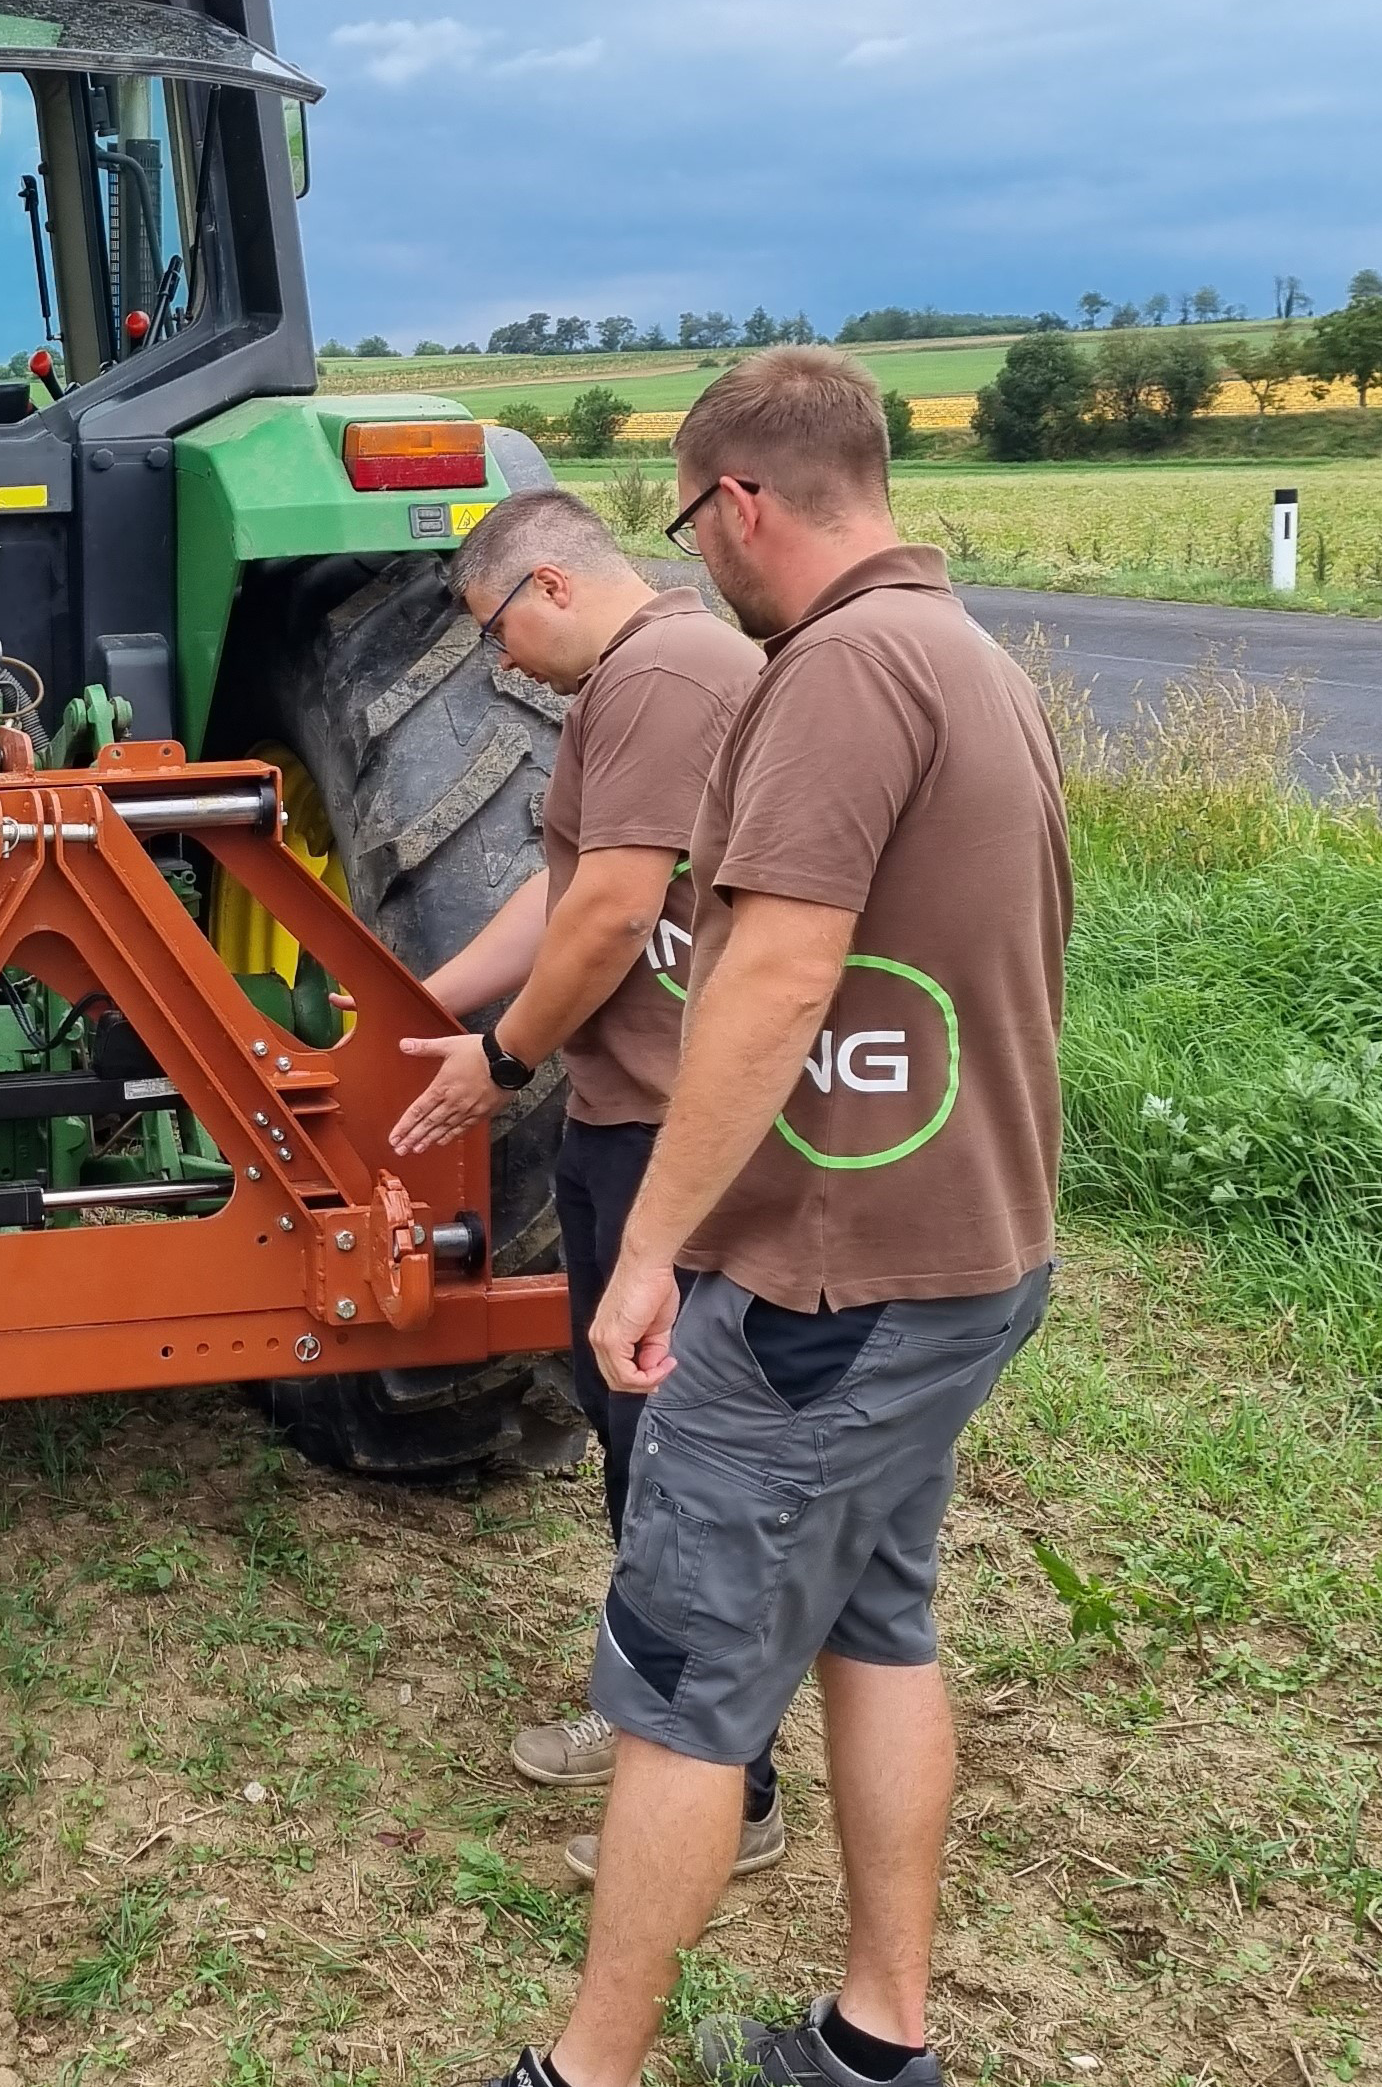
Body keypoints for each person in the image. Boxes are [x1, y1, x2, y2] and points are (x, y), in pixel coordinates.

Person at [461, 349, 1070, 2087]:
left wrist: (648, 1243)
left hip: (826, 1286)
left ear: (738, 502)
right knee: (878, 1626)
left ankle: (581, 2070)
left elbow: (778, 968)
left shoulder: (838, 670)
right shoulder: (974, 661)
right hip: (962, 1249)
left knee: (675, 1676)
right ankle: (879, 2038)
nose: (695, 559)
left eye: (689, 520)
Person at [391, 487, 775, 1875]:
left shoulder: (663, 674)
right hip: (629, 1112)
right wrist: (419, 1001)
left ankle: (719, 1789)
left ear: (548, 583)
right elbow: (567, 889)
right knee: (634, 1446)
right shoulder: (641, 677)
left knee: (678, 1456)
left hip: (676, 1125)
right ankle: (658, 1727)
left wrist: (495, 1061)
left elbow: (614, 911)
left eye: (495, 629)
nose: (495, 664)